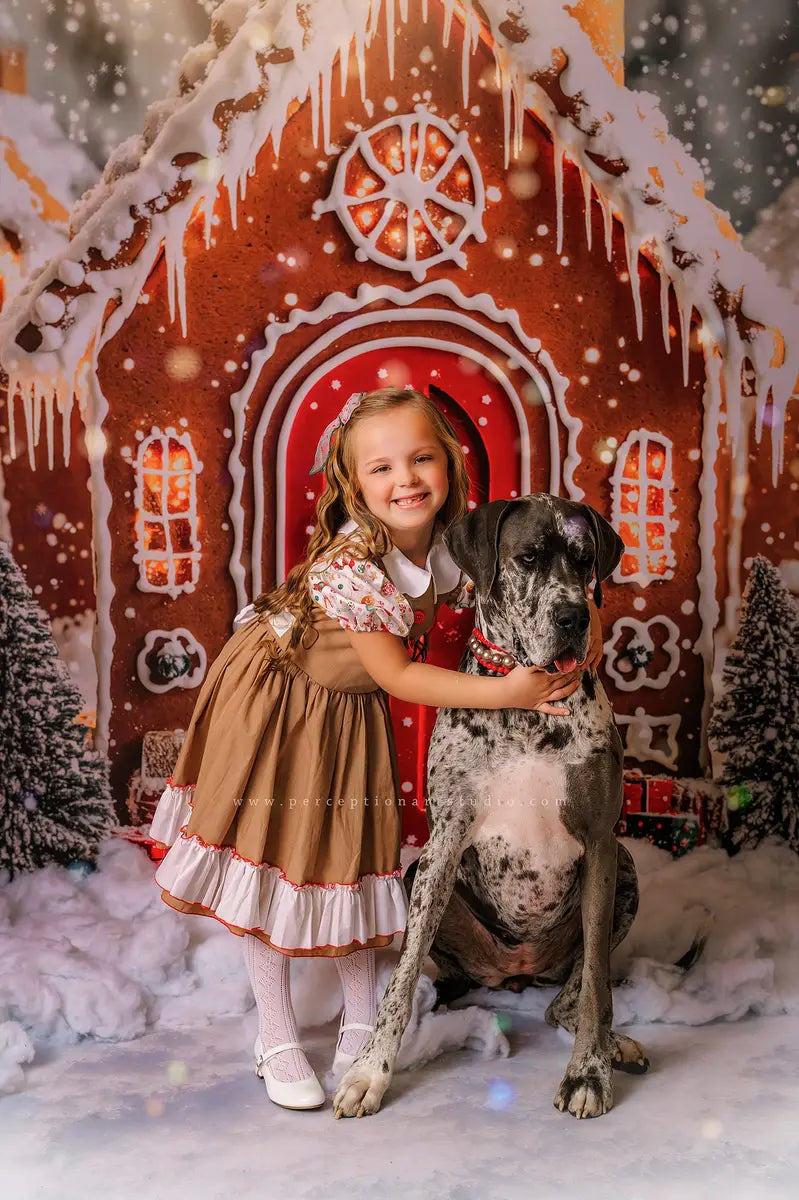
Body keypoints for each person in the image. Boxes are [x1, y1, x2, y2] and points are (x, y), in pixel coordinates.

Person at [149, 386, 602, 1111]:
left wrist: (576, 628)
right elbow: (395, 673)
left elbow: (508, 598)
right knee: (279, 855)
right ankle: (275, 1032)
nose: (406, 480)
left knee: (354, 856)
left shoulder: (456, 543)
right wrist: (507, 693)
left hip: (347, 710)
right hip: (280, 701)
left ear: (449, 467)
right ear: (354, 484)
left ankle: (363, 1017)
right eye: (382, 468)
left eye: (421, 459)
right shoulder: (353, 564)